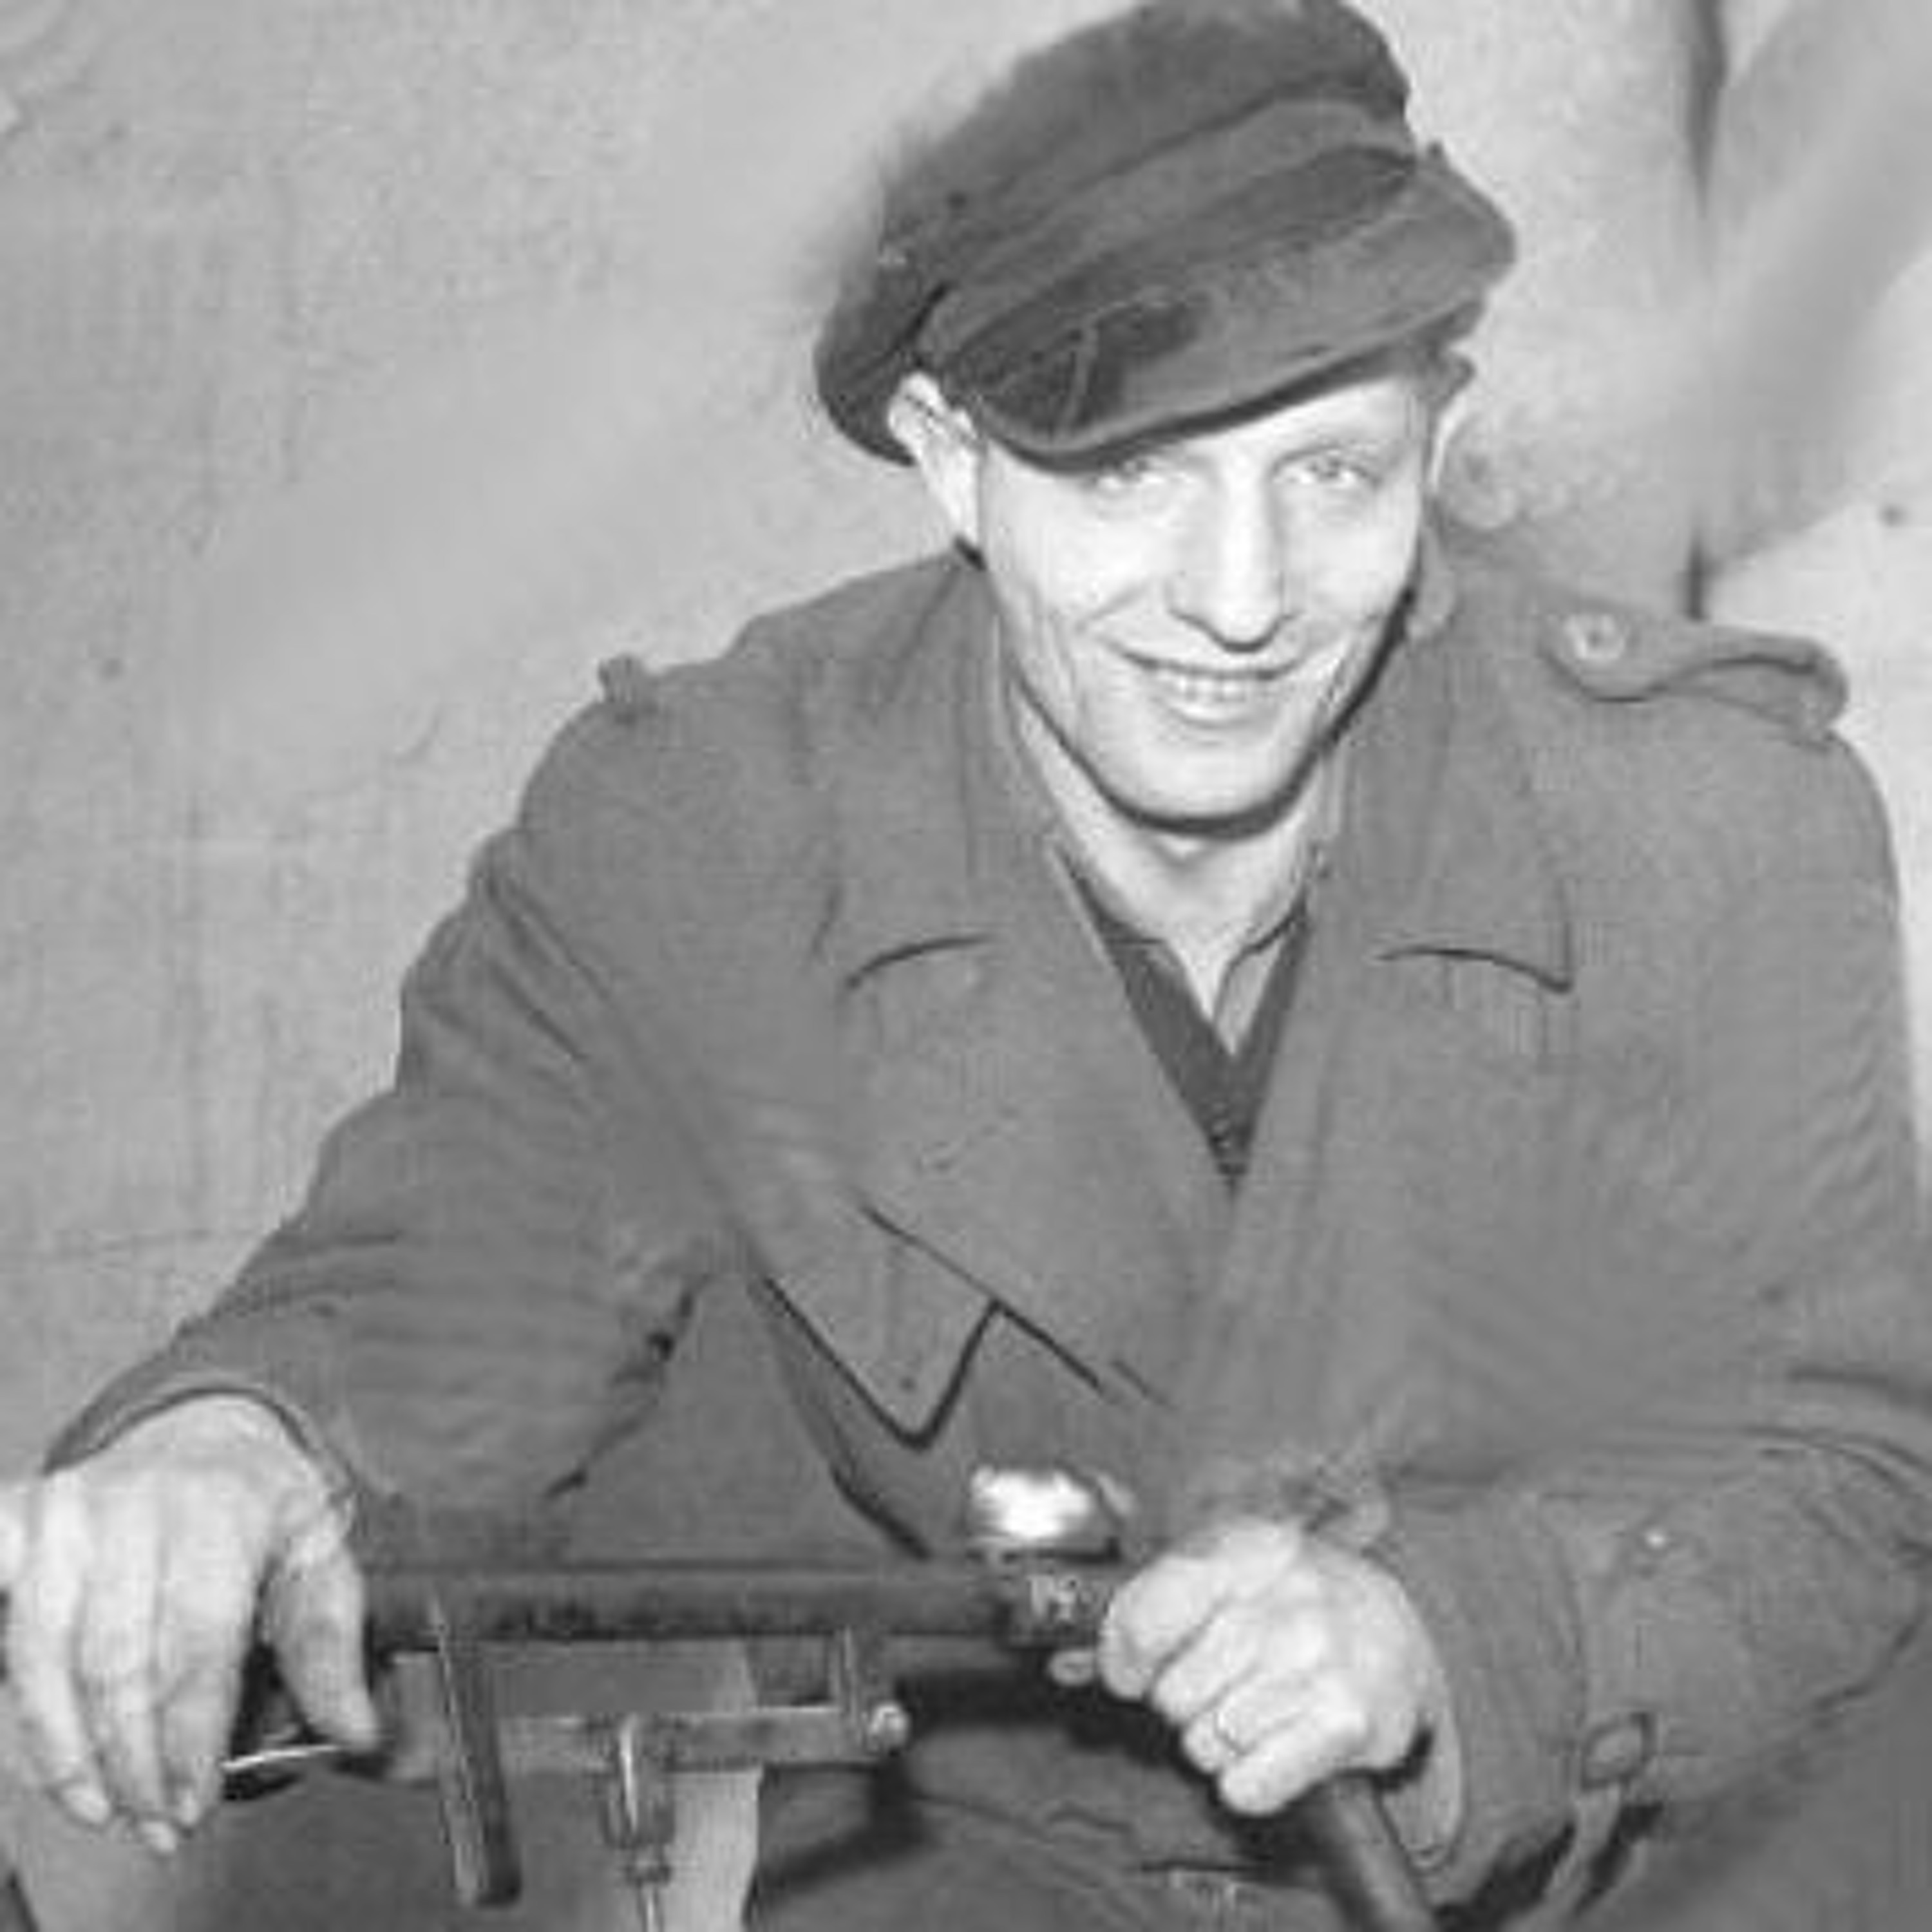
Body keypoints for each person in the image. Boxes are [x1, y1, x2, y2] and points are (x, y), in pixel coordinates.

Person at [3, 1, 1929, 1926]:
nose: (1241, 602)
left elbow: (1851, 1466)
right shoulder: (719, 830)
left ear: (1441, 421)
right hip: (990, 1869)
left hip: (1590, 1861)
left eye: (1334, 473)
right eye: (1130, 475)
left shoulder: (1702, 823)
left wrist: (1455, 1644)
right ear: (951, 457)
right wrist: (237, 1446)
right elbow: (441, 1285)